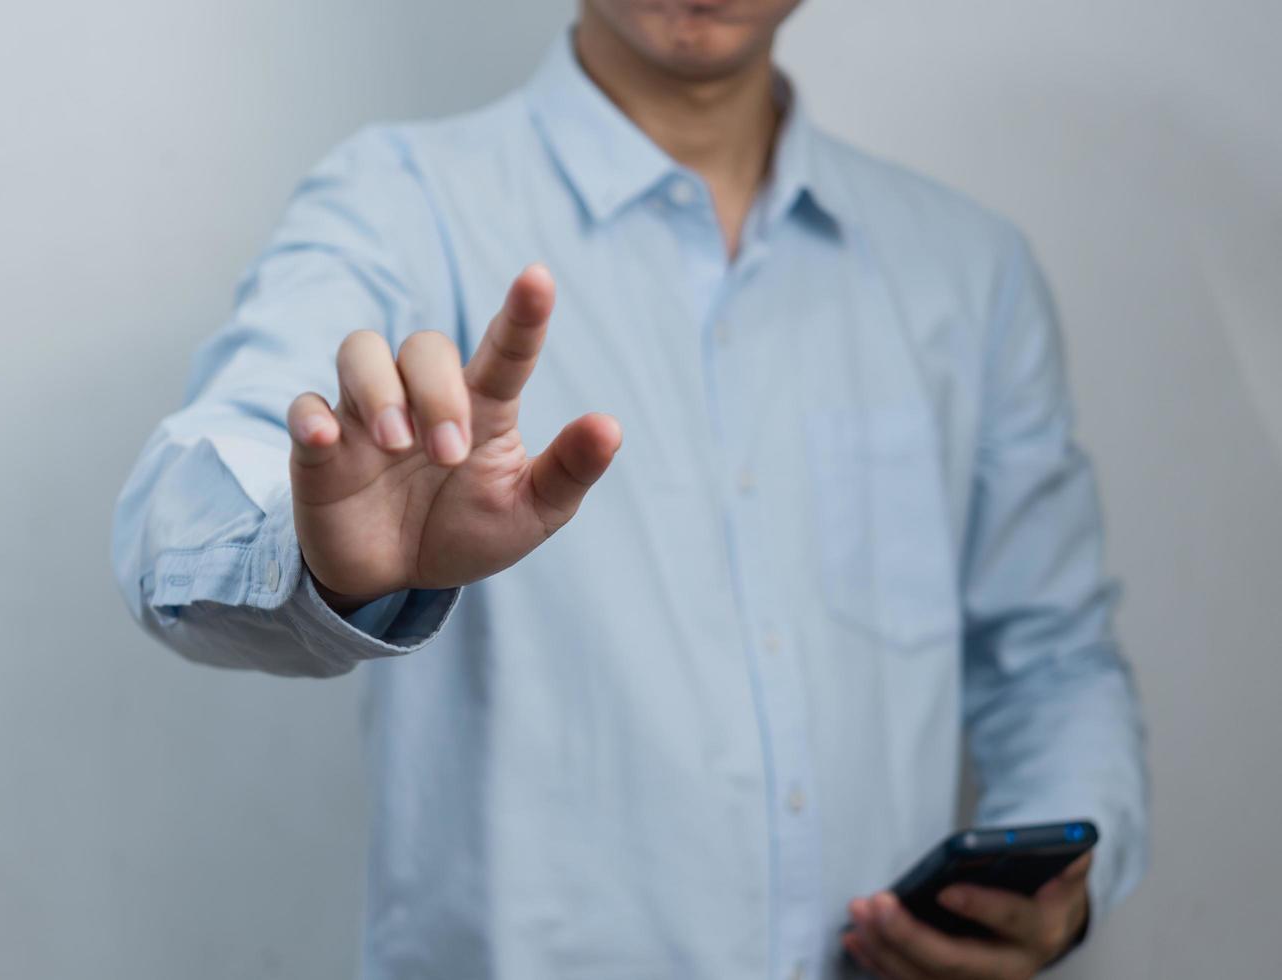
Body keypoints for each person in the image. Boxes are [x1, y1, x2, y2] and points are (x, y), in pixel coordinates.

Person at [112, 1, 1148, 976]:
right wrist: (320, 561)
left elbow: (1051, 656)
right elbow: (185, 508)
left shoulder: (967, 270)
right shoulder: (396, 204)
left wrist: (1059, 876)